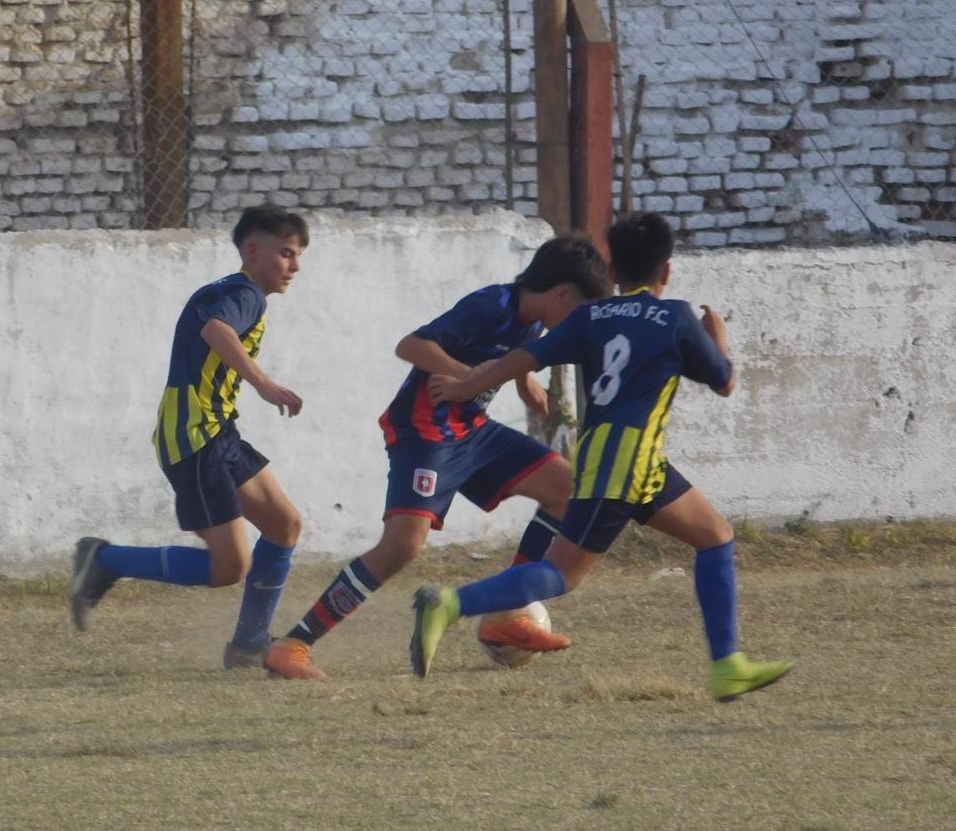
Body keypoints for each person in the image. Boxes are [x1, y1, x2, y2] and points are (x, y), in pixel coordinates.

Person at [412, 212, 793, 701]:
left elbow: (525, 358)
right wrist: (717, 337)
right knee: (561, 575)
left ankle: (727, 666)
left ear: (612, 272)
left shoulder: (592, 317)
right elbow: (725, 383)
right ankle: (449, 603)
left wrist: (469, 383)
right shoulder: (676, 317)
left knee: (715, 535)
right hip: (628, 460)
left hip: (622, 457)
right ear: (666, 270)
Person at [264, 234, 612, 680]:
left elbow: (513, 355)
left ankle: (507, 615)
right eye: (580, 311)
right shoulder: (491, 304)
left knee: (567, 489)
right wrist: (468, 377)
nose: (579, 323)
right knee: (402, 546)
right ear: (562, 294)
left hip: (473, 430)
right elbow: (411, 345)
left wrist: (523, 382)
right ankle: (293, 644)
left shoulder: (535, 320)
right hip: (425, 431)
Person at [70, 205, 309, 669]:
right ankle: (105, 560)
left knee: (284, 525)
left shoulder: (233, 289)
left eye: (297, 255)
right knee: (229, 567)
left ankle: (249, 645)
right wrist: (264, 383)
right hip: (195, 439)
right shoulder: (245, 293)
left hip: (218, 432)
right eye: (286, 253)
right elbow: (216, 329)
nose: (295, 266)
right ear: (252, 252)